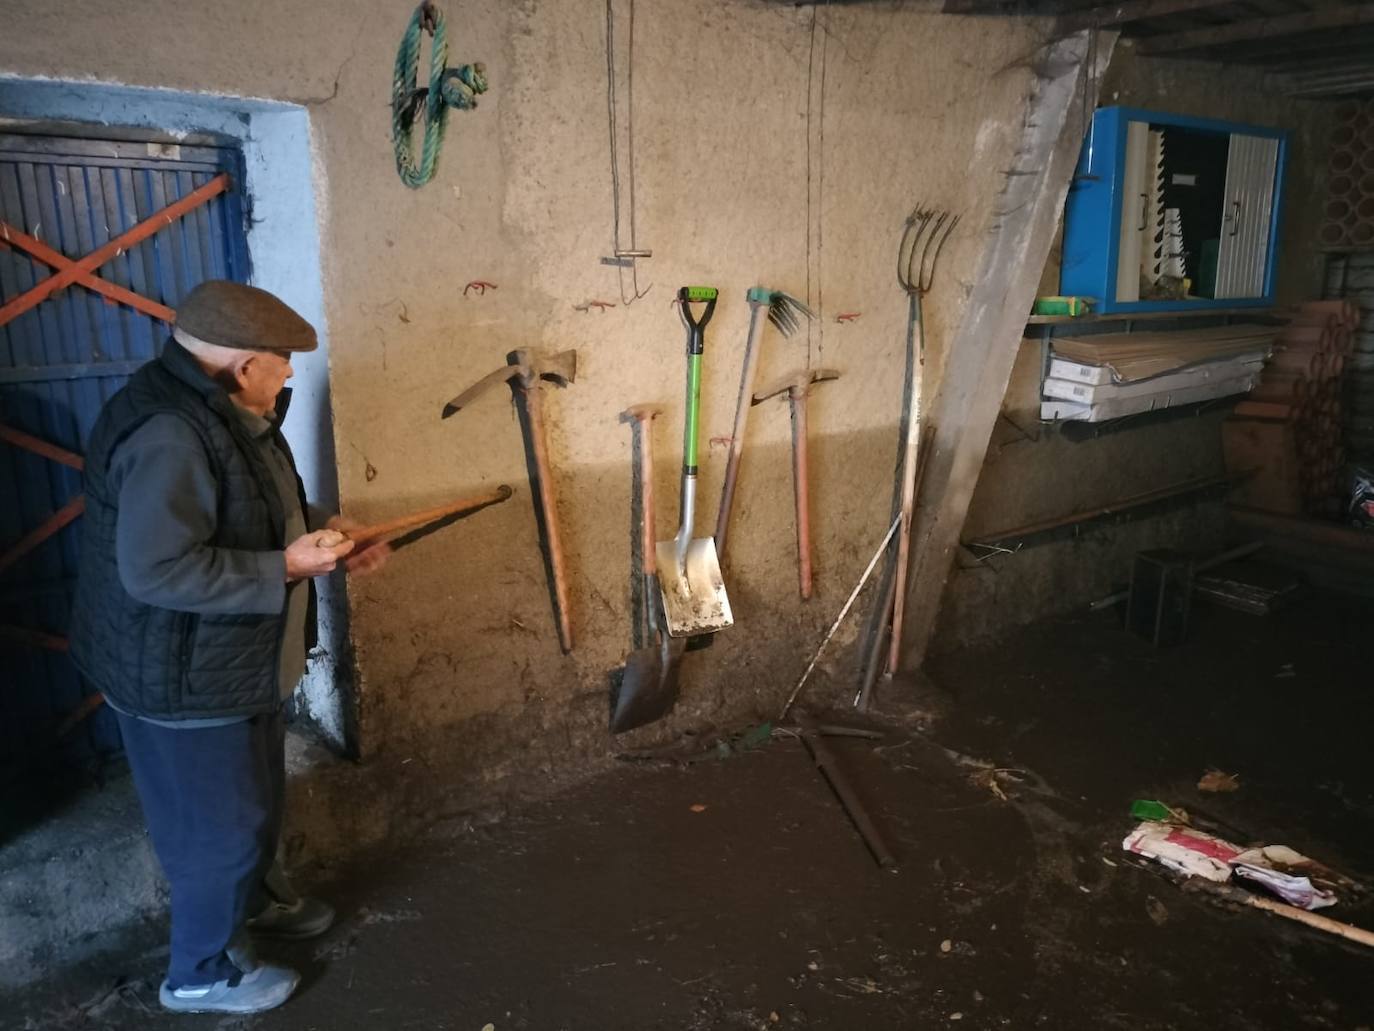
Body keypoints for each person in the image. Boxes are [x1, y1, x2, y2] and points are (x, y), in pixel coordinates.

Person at [69, 280, 385, 1015]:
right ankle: (199, 972)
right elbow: (157, 569)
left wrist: (328, 531)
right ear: (244, 364)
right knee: (219, 832)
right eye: (281, 363)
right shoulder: (170, 432)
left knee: (256, 807)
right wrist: (286, 566)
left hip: (232, 665)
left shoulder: (232, 410)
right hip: (181, 676)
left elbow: (254, 504)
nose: (289, 376)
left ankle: (256, 903)